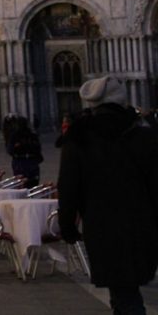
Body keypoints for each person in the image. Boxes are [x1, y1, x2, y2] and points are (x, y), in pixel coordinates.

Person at [59, 76, 158, 314]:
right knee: (126, 291)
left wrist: (67, 226)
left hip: (102, 227)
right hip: (142, 225)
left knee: (124, 293)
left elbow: (68, 187)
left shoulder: (79, 138)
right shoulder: (144, 135)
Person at [8, 117, 43, 187]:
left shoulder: (31, 136)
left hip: (27, 161)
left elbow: (10, 150)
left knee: (28, 183)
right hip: (22, 161)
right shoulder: (16, 136)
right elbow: (11, 150)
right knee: (24, 182)